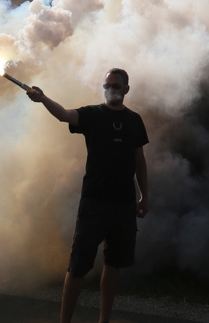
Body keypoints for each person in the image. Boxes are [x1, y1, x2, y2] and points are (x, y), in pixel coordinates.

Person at [27, 68, 149, 323]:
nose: (110, 90)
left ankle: (103, 321)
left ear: (126, 89)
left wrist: (144, 196)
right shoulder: (93, 115)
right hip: (94, 203)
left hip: (124, 204)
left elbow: (139, 160)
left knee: (113, 264)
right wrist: (43, 98)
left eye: (116, 86)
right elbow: (64, 115)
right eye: (107, 86)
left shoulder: (135, 120)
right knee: (78, 265)